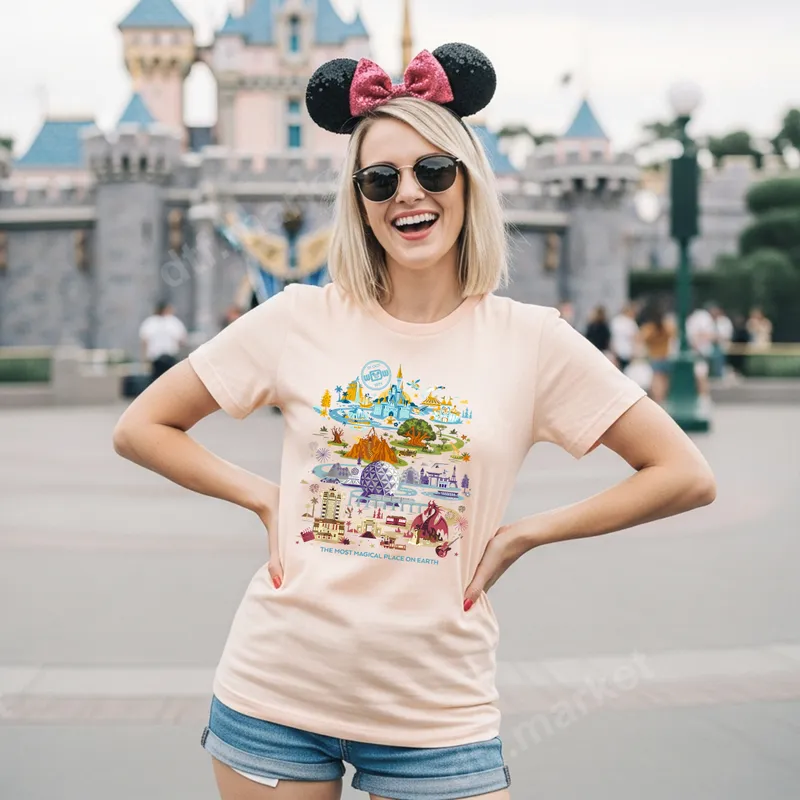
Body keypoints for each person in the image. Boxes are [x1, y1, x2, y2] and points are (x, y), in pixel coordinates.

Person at [112, 43, 716, 800]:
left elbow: (683, 474)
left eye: (433, 170)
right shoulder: (298, 317)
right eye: (380, 178)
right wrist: (263, 497)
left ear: (468, 181)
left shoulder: (532, 340)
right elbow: (142, 426)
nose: (408, 193)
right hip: (275, 691)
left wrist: (527, 533)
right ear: (359, 200)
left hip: (437, 711)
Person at [138, 301, 188, 381]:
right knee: (171, 380)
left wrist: (144, 359)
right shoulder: (173, 322)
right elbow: (182, 340)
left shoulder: (150, 322)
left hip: (155, 358)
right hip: (170, 357)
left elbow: (145, 341)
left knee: (156, 381)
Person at [640, 306, 676, 404]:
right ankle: (663, 398)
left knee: (657, 380)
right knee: (665, 380)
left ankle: (658, 399)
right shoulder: (666, 326)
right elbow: (674, 333)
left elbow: (641, 338)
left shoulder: (649, 328)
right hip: (666, 356)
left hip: (655, 357)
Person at [610, 302, 640, 372]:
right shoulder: (630, 322)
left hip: (617, 351)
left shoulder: (616, 321)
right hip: (628, 352)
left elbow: (612, 337)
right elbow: (635, 338)